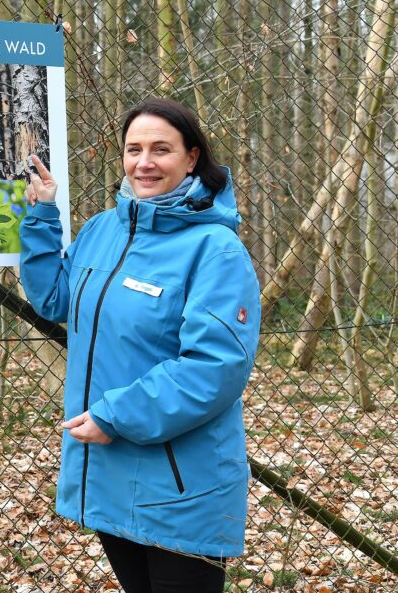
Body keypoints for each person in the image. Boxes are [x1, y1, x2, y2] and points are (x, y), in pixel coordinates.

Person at [19, 97, 260, 592]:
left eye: (161, 149)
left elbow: (215, 366)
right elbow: (55, 300)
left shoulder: (215, 249)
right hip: (110, 471)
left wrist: (115, 416)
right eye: (134, 149)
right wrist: (43, 215)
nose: (144, 162)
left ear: (192, 157)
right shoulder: (102, 230)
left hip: (179, 483)